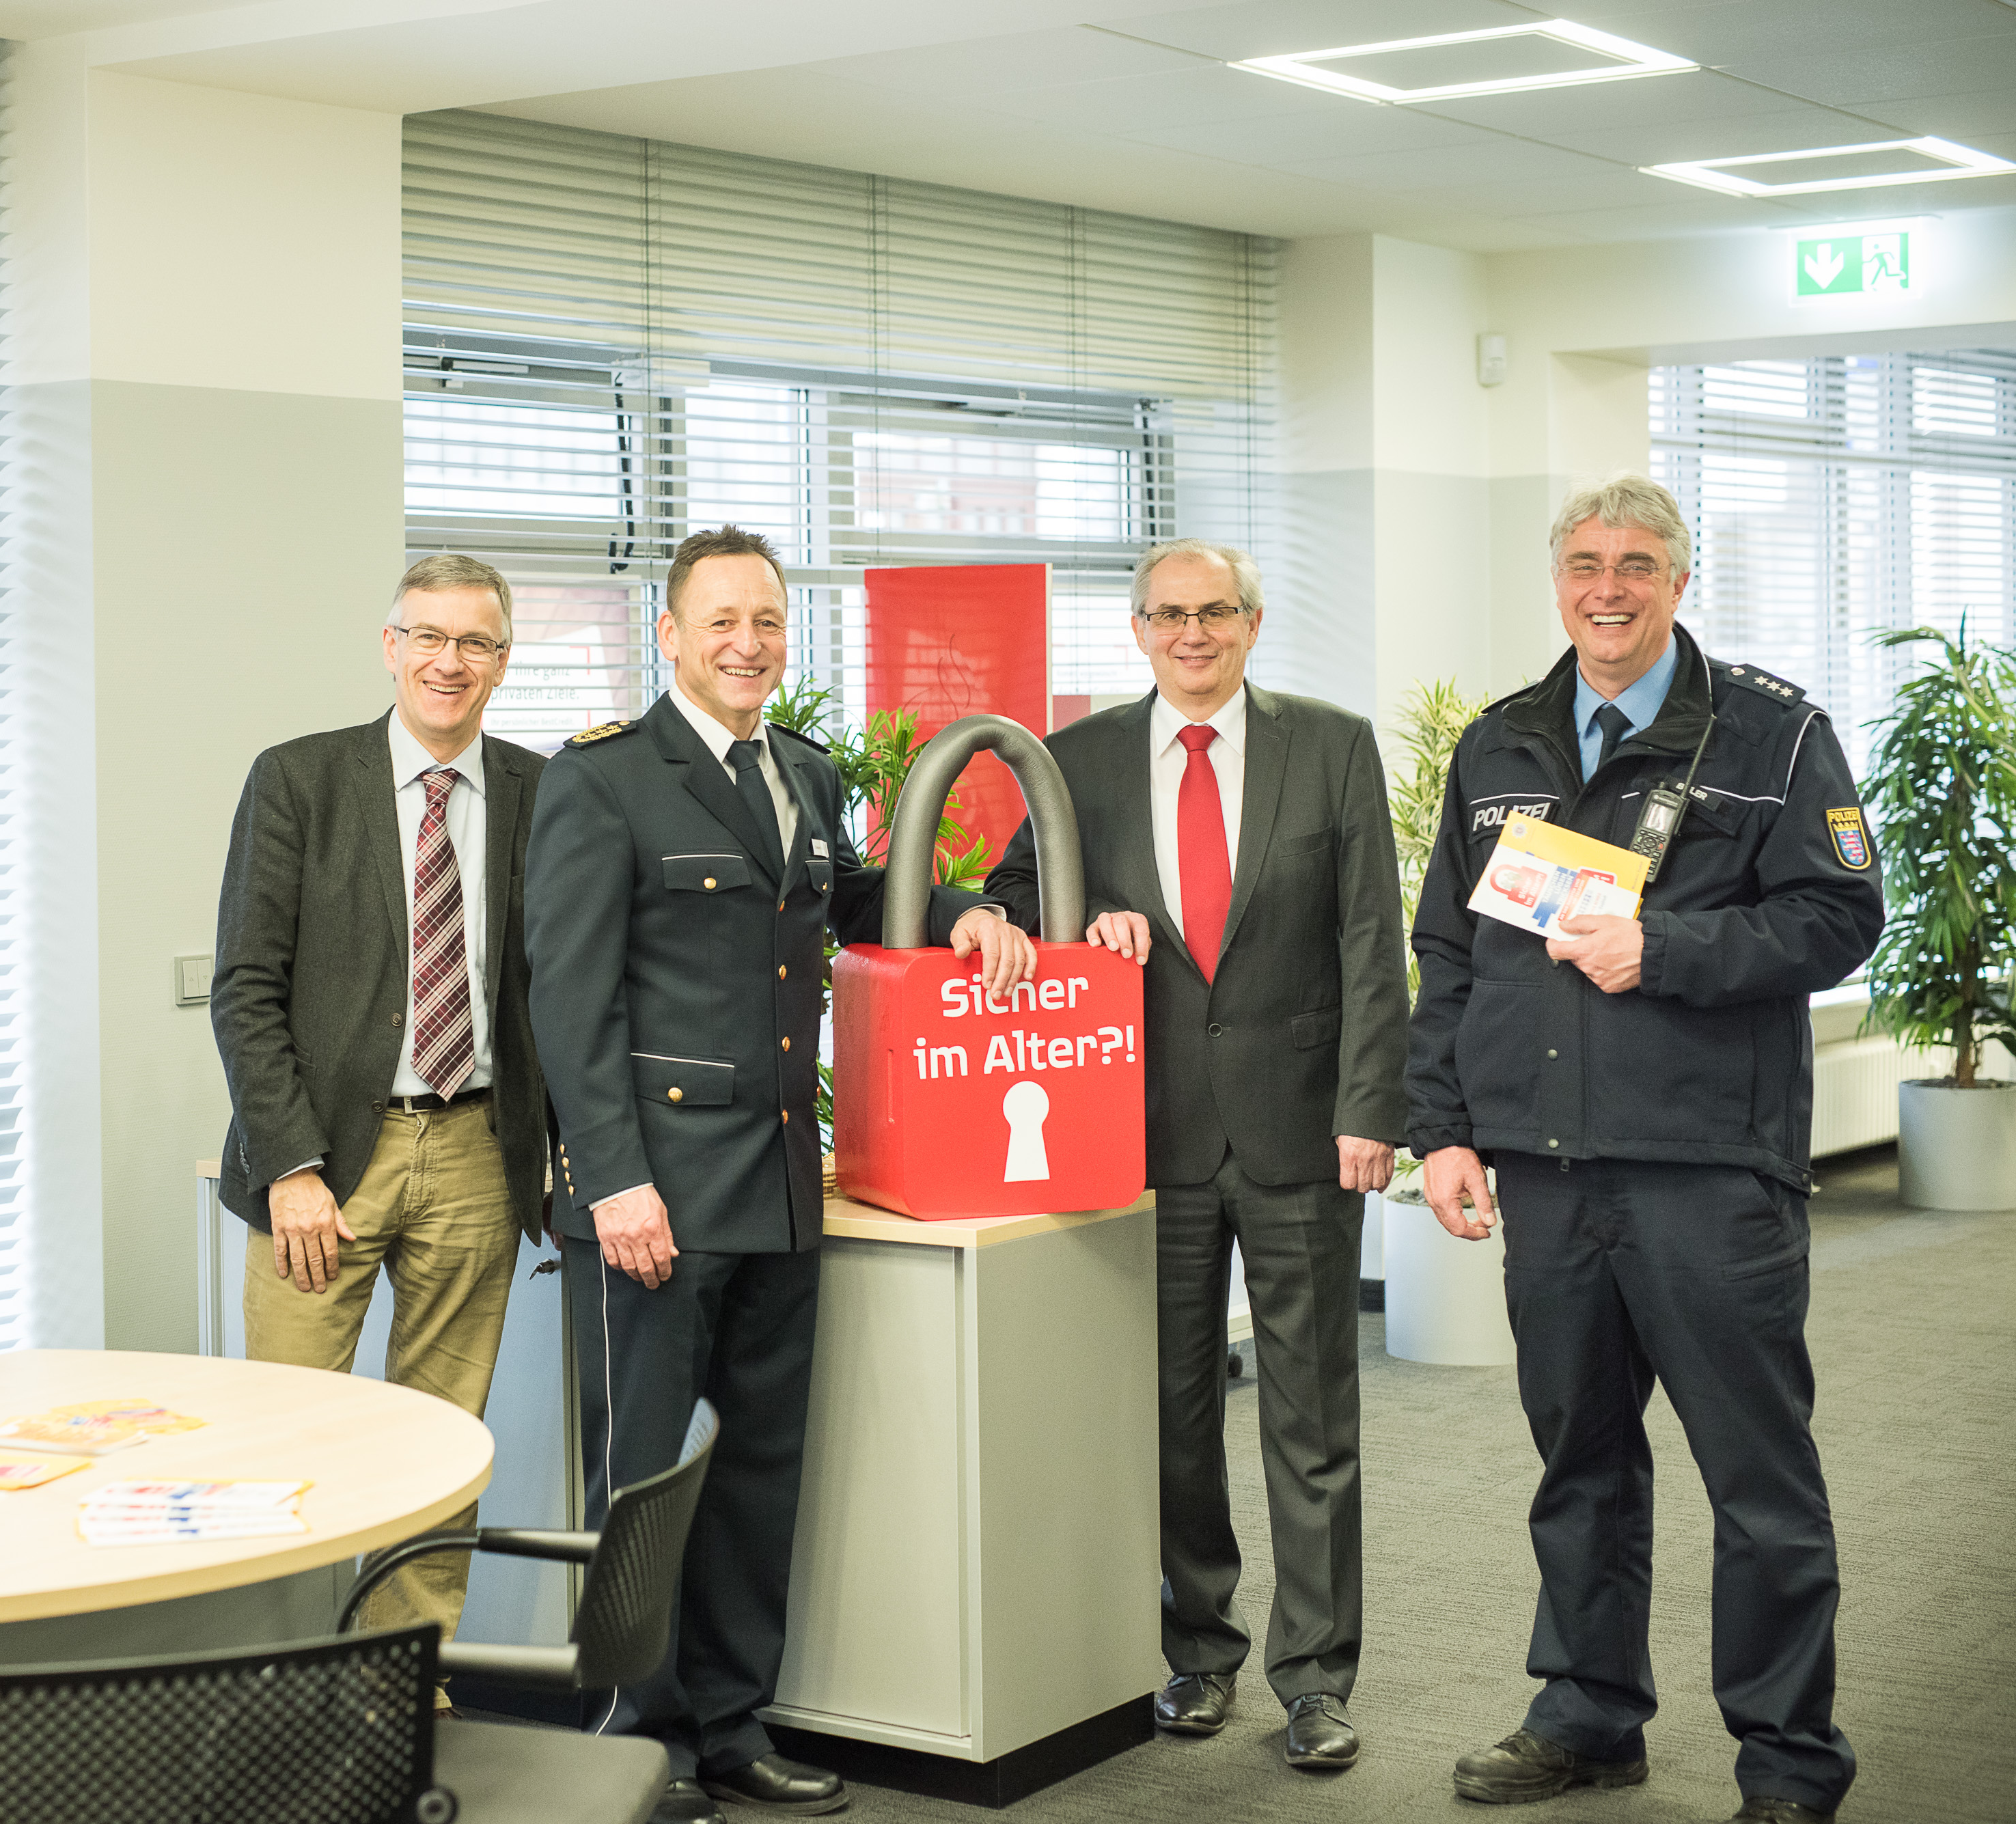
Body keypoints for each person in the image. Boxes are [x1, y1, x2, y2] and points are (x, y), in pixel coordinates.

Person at [527, 525, 1036, 1824]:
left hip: (777, 1185)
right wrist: (612, 1180)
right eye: (721, 621)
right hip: (652, 1196)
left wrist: (964, 907)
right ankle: (635, 1740)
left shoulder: (799, 769)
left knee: (757, 1475)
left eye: (765, 619)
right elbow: (569, 1003)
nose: (747, 643)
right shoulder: (603, 780)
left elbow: (842, 896)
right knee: (643, 1482)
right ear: (670, 634)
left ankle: (731, 1723)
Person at [1407, 475, 1881, 1824]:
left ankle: (1787, 1760)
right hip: (1547, 1174)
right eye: (1583, 563)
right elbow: (1448, 952)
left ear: (1679, 579)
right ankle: (1586, 1713)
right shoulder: (1499, 742)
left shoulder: (1773, 735)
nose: (1604, 589)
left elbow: (1840, 915)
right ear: (1556, 578)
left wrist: (1661, 947)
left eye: (1632, 564)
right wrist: (1442, 1129)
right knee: (1582, 1464)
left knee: (1756, 1479)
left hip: (1705, 1173)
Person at [984, 537, 1407, 1773]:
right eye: (1168, 614)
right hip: (1142, 1138)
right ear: (1137, 630)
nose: (1193, 633)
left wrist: (1371, 1107)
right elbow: (1008, 904)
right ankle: (1198, 1651)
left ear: (1252, 622)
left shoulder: (1331, 745)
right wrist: (1079, 922)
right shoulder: (1075, 760)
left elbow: (1371, 939)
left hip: (1301, 1129)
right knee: (1170, 1415)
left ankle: (1317, 1678)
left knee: (1311, 1417)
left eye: (1215, 611)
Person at [210, 553, 551, 1694]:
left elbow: (558, 984)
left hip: (478, 1149)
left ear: (503, 660)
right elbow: (245, 988)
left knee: (440, 1443)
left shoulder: (541, 790)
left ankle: (402, 1691)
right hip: (324, 1166)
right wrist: (289, 1165)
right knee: (291, 1440)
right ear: (391, 646)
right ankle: (282, 1690)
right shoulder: (300, 780)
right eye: (430, 637)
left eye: (477, 642)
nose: (452, 661)